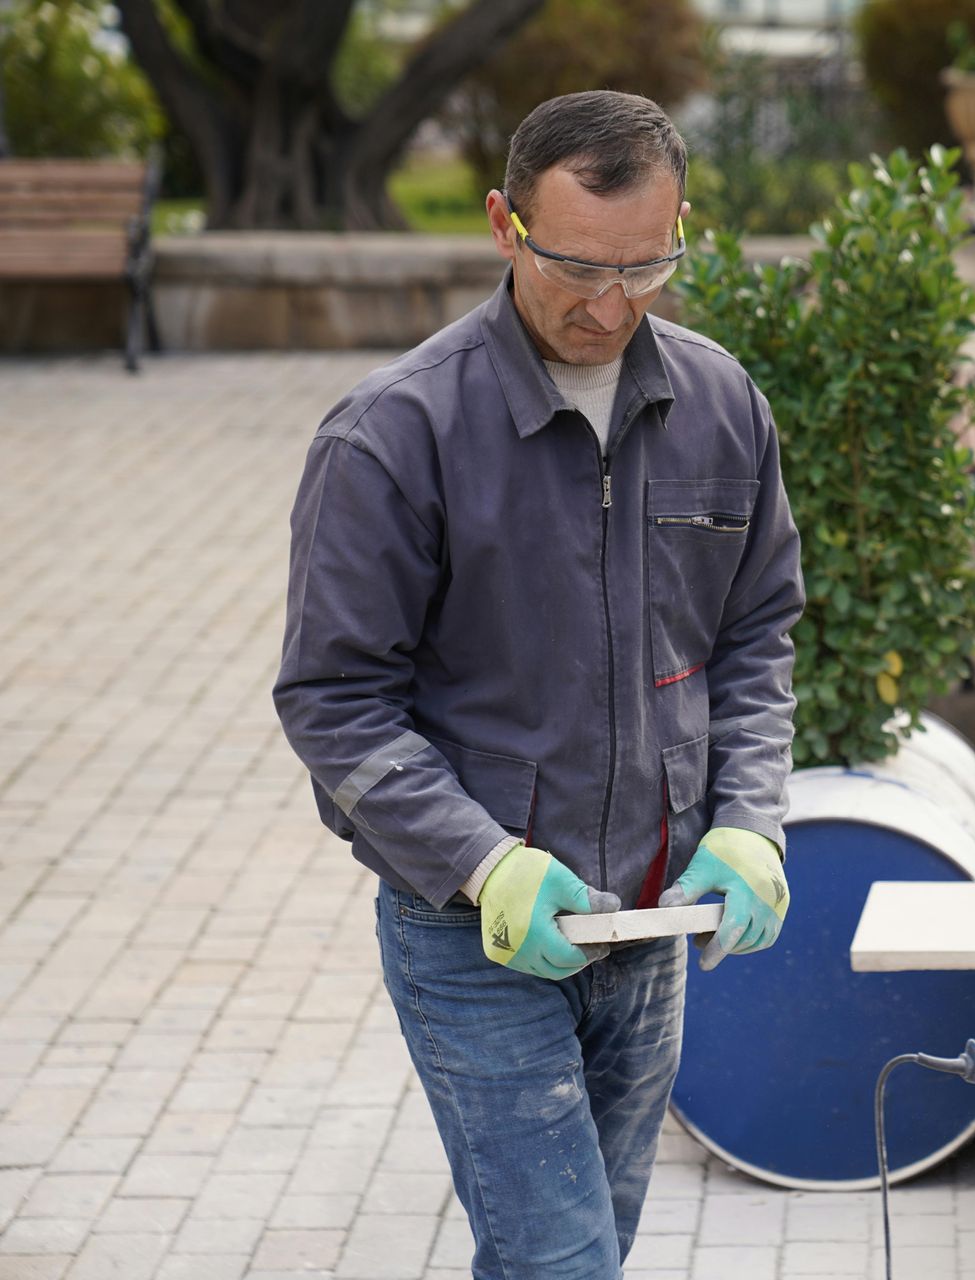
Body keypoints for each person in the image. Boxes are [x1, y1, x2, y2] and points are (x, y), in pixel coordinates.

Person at [273, 90, 803, 1278]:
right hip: (474, 933)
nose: (610, 305)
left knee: (581, 1251)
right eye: (574, 266)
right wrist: (481, 859)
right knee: (563, 1263)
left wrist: (752, 818)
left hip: (655, 922)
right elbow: (331, 698)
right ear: (506, 226)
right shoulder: (393, 435)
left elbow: (758, 628)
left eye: (647, 266)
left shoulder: (723, 407)